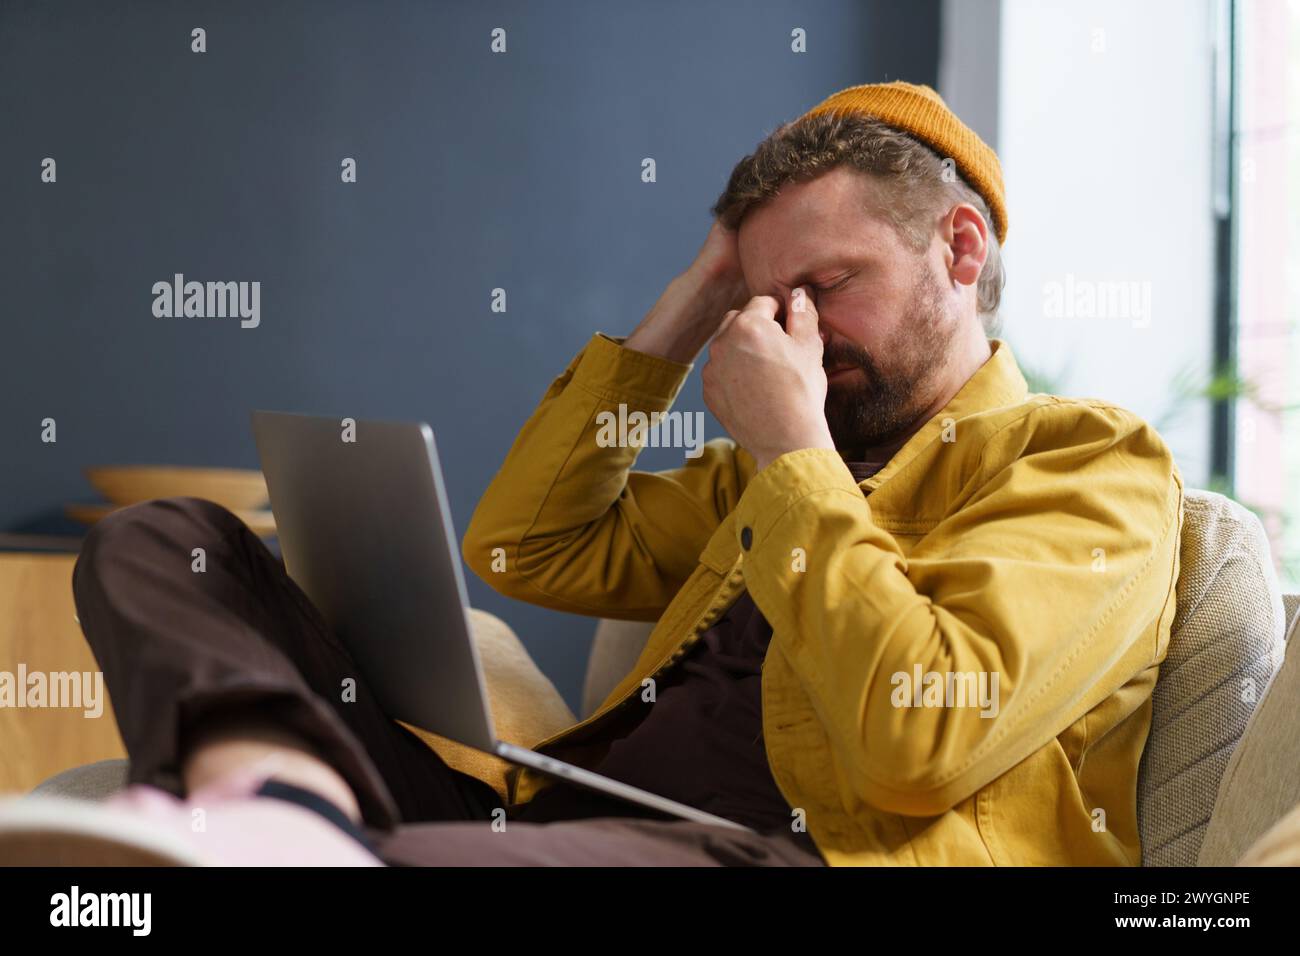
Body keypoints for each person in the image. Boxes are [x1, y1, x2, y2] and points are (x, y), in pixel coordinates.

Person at [19, 81, 1182, 866]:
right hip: (561, 813)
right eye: (764, 298)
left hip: (769, 852)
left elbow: (916, 739)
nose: (794, 329)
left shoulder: (1087, 464)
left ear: (961, 247)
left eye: (823, 285)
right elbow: (527, 547)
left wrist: (791, 450)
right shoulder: (750, 480)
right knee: (167, 537)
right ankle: (279, 803)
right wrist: (685, 312)